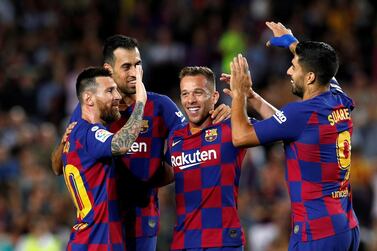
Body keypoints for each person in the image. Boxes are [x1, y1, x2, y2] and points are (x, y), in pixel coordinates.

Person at [51, 35, 230, 251]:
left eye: (138, 64)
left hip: (142, 218)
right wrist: (63, 144)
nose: (134, 72)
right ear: (109, 70)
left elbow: (191, 147)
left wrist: (215, 117)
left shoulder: (160, 105)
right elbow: (59, 165)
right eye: (126, 66)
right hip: (103, 220)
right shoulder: (89, 113)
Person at [228, 21, 359, 250]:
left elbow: (240, 136)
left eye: (293, 66)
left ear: (309, 77)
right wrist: (254, 97)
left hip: (316, 231)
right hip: (345, 225)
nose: (288, 71)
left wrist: (238, 93)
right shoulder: (337, 97)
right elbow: (288, 125)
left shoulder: (300, 113)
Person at [164, 66, 253, 251]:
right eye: (185, 94)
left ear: (214, 97)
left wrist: (249, 96)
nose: (190, 100)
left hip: (223, 241)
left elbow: (281, 127)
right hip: (183, 242)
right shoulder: (176, 135)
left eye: (198, 93)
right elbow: (163, 174)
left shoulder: (231, 126)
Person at [61, 66, 147, 250]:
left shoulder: (74, 133)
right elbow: (121, 144)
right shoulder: (90, 134)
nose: (117, 96)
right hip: (96, 242)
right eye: (109, 91)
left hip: (85, 238)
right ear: (88, 98)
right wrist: (140, 102)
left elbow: (56, 166)